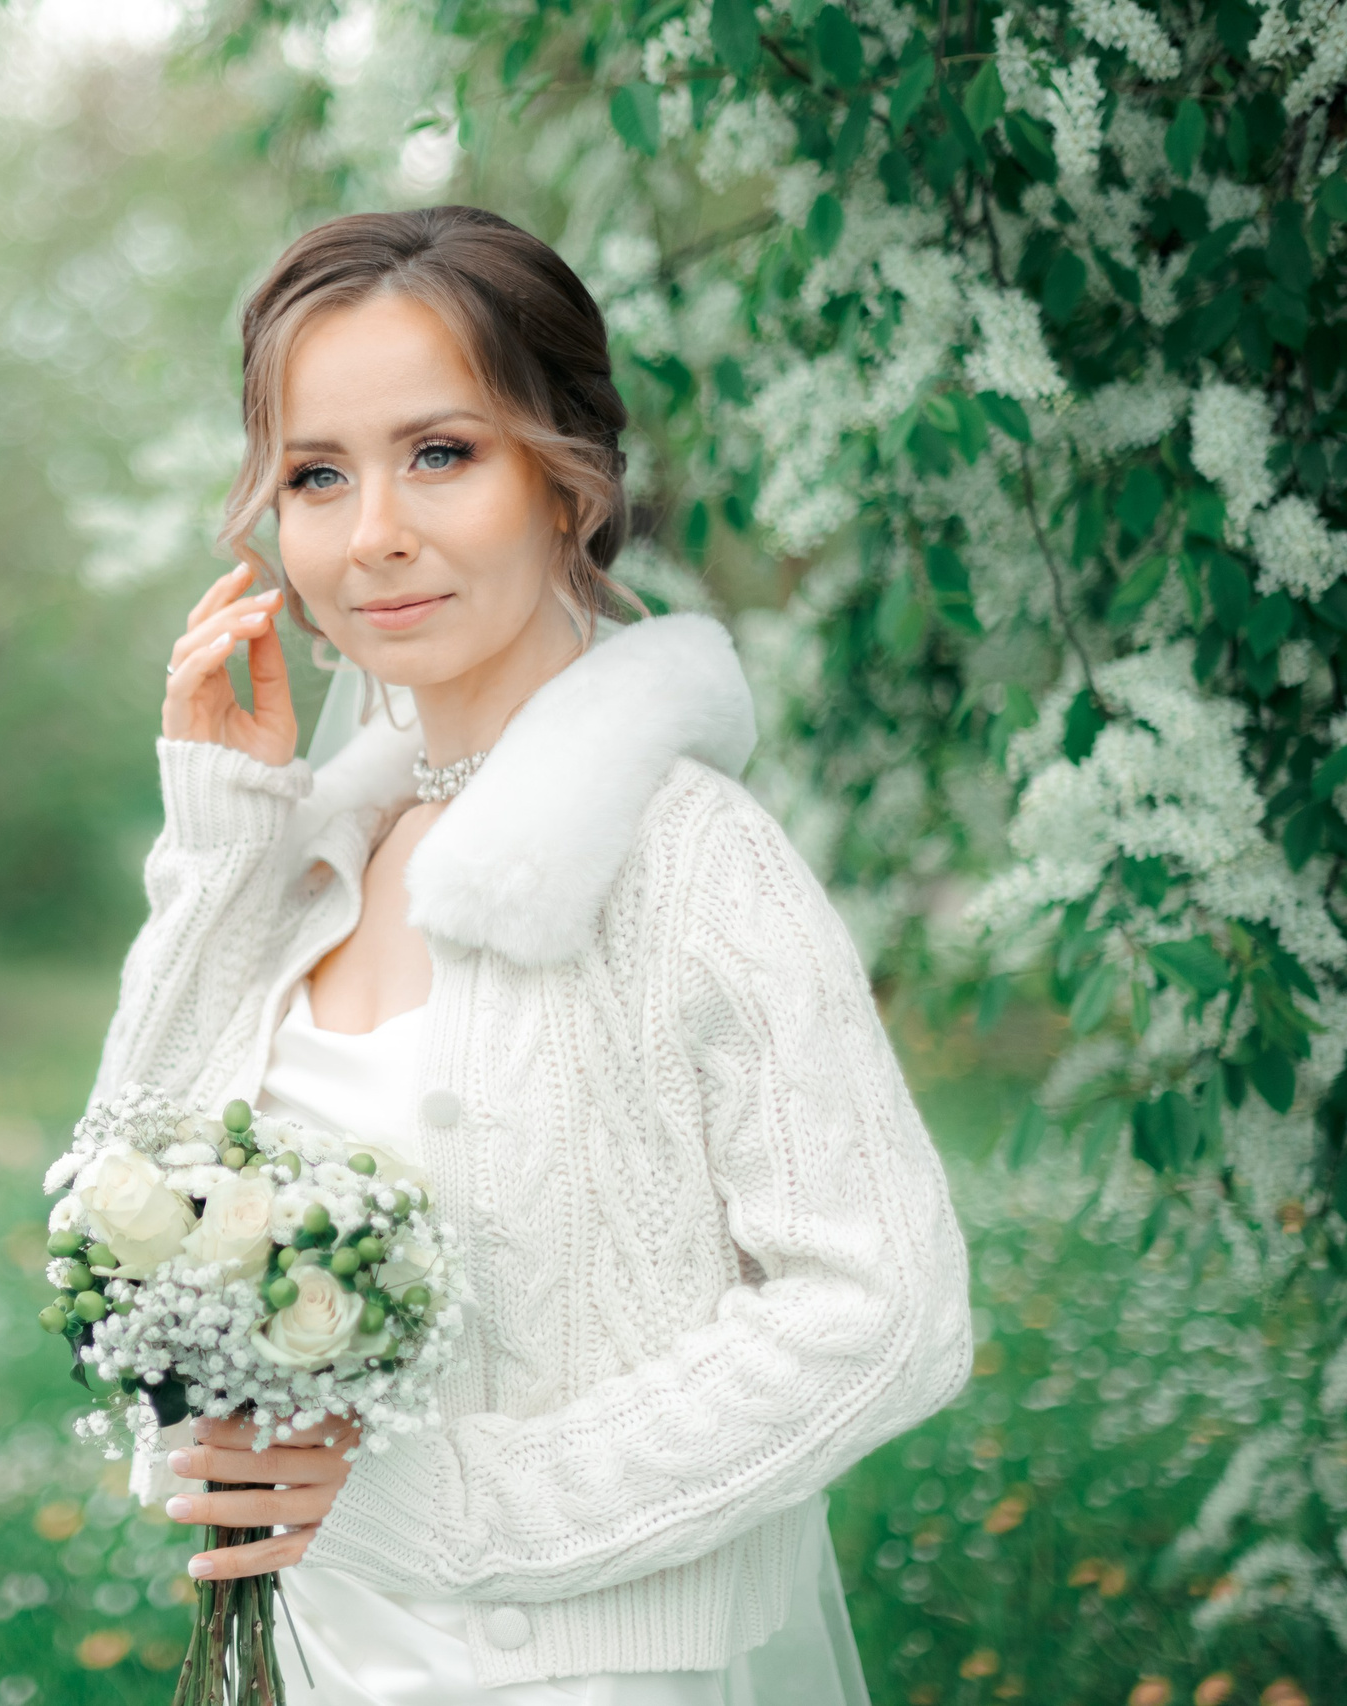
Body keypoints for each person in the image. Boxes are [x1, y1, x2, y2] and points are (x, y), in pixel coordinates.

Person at [90, 206, 974, 1705]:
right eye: (317, 474)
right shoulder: (325, 847)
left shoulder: (687, 856)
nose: (373, 532)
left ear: (569, 482)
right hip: (320, 1652)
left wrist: (457, 1509)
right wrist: (225, 829)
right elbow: (126, 1197)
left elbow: (884, 1313)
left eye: (441, 452)